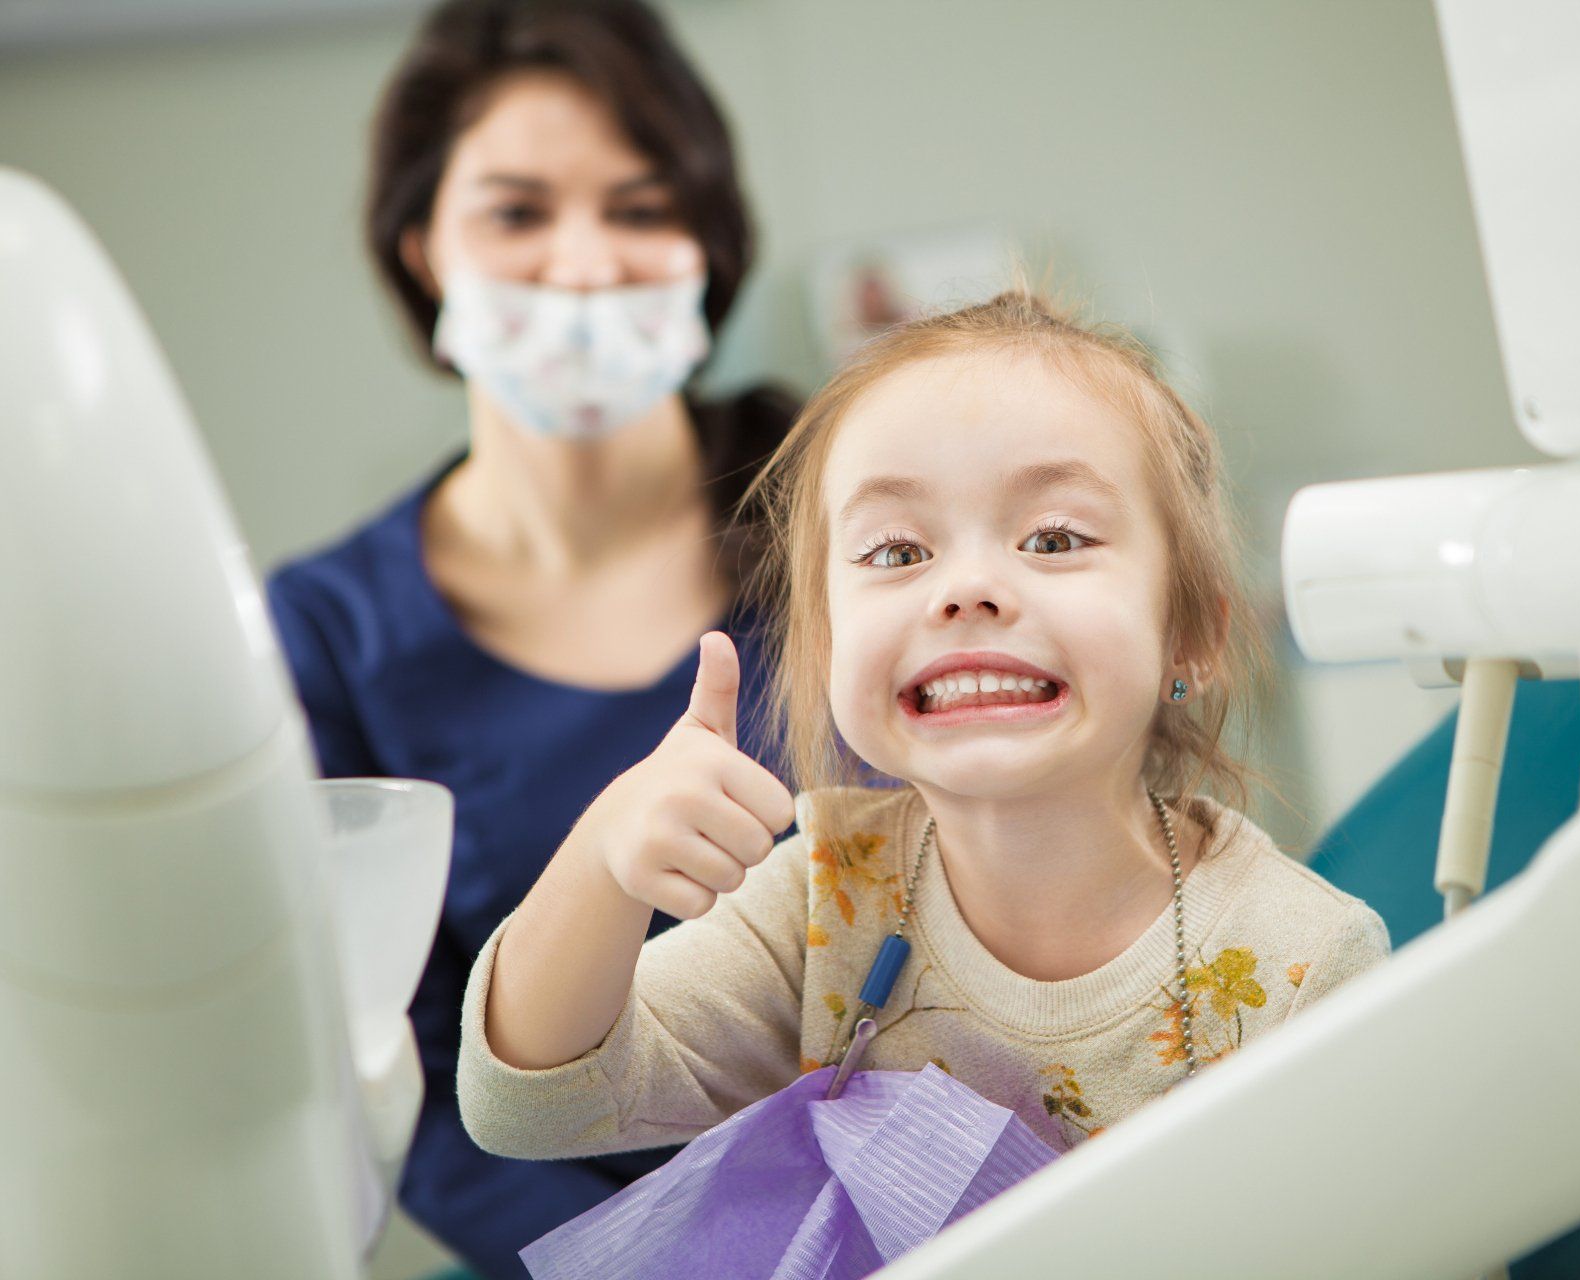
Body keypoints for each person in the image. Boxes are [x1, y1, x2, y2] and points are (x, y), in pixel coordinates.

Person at [456, 291, 1389, 1189]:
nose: (967, 587)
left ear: (1192, 635)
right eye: (898, 553)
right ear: (824, 647)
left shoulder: (1305, 962)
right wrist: (605, 855)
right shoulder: (827, 899)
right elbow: (528, 1107)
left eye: (1055, 538)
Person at [264, 2, 793, 1274]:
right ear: (422, 250)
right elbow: (392, 1066)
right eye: (516, 212)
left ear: (707, 242)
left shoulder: (847, 515)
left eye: (639, 206)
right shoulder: (330, 636)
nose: (582, 263)